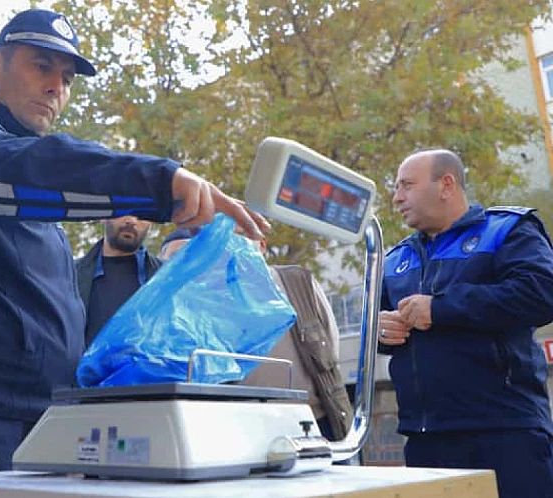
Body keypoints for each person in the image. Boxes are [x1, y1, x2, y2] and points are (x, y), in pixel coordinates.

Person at [0, 7, 270, 476]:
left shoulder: (37, 193)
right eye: (41, 66)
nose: (57, 87)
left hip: (50, 416)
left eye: (68, 77)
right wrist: (160, 182)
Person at [379, 148, 553, 498]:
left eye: (407, 186)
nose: (397, 198)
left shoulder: (507, 230)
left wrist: (440, 309)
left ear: (446, 185)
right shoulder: (395, 259)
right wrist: (381, 333)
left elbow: (541, 294)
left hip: (504, 432)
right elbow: (383, 332)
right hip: (424, 439)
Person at [158, 229, 352, 441]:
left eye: (244, 233)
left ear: (262, 245)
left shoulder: (296, 282)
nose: (236, 243)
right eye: (229, 235)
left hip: (313, 420)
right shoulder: (210, 295)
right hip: (247, 425)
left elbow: (329, 344)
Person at [75, 216, 163, 346]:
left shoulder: (166, 278)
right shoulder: (68, 275)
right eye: (125, 210)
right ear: (104, 216)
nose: (132, 221)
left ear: (151, 223)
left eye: (142, 214)